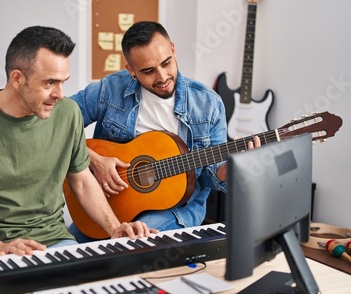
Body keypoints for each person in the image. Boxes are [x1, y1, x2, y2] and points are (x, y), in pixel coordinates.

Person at [0, 26, 156, 263]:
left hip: (55, 242)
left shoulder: (67, 113)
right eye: (50, 83)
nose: (60, 94)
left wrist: (114, 228)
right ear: (18, 79)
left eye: (63, 82)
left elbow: (82, 181)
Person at [69, 21, 260, 242]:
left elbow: (209, 176)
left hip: (176, 208)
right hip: (105, 202)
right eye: (148, 71)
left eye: (166, 63)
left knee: (132, 244)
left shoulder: (208, 104)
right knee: (62, 259)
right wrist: (93, 159)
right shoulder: (110, 89)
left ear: (173, 49)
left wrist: (231, 169)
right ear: (130, 70)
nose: (161, 77)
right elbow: (56, 121)